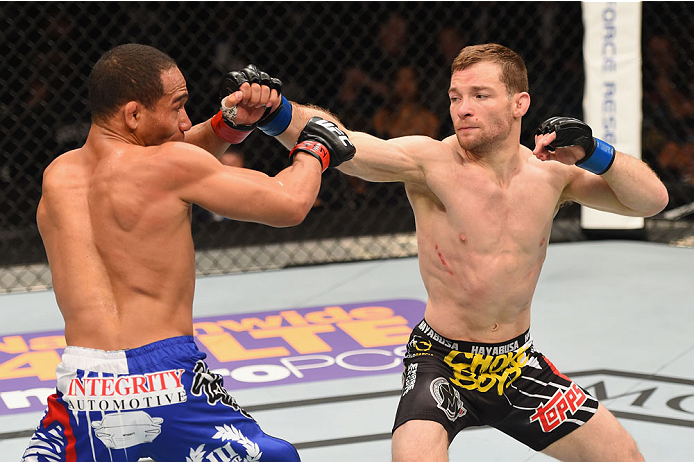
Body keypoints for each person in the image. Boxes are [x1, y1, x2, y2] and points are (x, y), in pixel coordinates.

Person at [266, 43, 669, 461]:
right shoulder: (430, 162)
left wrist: (595, 153)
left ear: (520, 103)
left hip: (516, 366)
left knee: (625, 457)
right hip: (440, 361)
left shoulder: (551, 174)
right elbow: (345, 145)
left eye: (480, 95)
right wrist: (274, 111)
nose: (463, 109)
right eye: (455, 97)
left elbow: (651, 201)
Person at [22, 43, 354, 462]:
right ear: (133, 114)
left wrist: (230, 124)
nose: (184, 122)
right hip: (166, 381)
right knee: (280, 458)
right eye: (177, 107)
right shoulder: (169, 166)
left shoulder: (58, 176)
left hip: (82, 389)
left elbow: (166, 160)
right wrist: (316, 146)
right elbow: (289, 203)